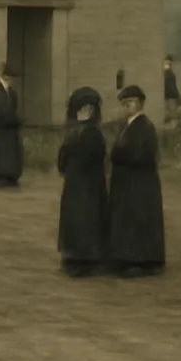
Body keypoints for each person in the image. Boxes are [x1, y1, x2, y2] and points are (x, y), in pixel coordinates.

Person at [108, 85, 165, 277]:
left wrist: (119, 155)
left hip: (140, 183)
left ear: (140, 104)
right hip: (128, 182)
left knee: (138, 220)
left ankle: (139, 260)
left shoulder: (145, 127)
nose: (126, 106)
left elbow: (139, 155)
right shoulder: (127, 126)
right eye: (124, 103)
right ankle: (126, 258)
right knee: (128, 220)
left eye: (130, 102)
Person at [56, 86, 108, 277]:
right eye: (81, 109)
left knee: (86, 220)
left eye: (88, 109)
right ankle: (72, 256)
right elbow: (62, 158)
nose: (84, 113)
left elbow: (92, 157)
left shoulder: (93, 133)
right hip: (74, 183)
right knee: (73, 220)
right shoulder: (74, 132)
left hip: (89, 185)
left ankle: (85, 260)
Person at [0, 63, 24, 188]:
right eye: (11, 78)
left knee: (10, 154)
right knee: (1, 154)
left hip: (9, 130)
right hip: (1, 129)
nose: (12, 81)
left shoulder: (10, 93)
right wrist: (15, 120)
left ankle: (10, 176)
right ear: (6, 77)